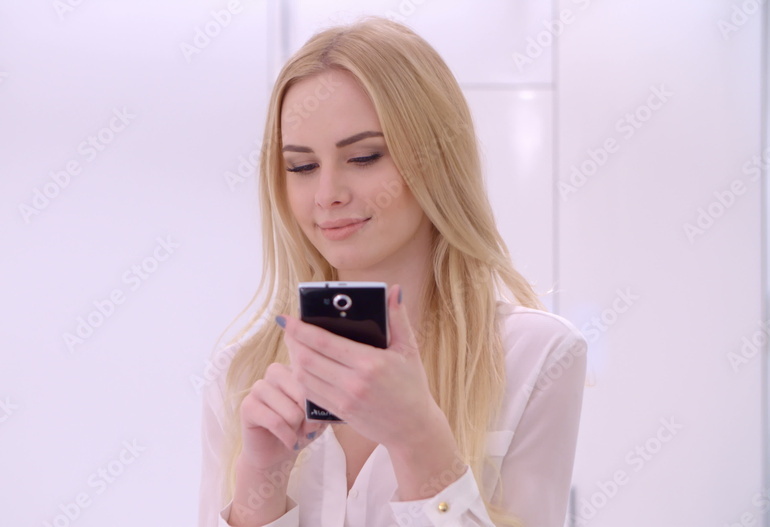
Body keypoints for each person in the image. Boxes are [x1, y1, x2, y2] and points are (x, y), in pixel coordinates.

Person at [200, 16, 587, 527]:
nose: (327, 194)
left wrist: (418, 440)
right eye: (302, 166)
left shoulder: (534, 357)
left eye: (363, 157)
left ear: (437, 160)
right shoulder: (238, 378)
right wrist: (260, 482)